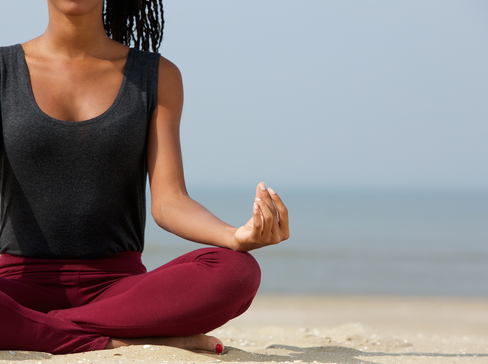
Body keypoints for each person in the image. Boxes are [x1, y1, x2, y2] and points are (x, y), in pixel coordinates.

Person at [0, 0, 289, 355]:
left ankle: (37, 326)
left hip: (118, 291)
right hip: (16, 284)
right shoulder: (3, 70)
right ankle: (104, 339)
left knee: (237, 271)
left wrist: (234, 235)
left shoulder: (157, 75)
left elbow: (169, 201)